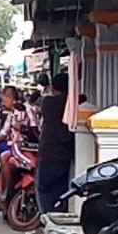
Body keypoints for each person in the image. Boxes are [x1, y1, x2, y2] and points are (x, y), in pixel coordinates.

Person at [0, 86, 38, 188]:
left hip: (24, 145)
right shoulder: (10, 113)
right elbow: (4, 132)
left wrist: (23, 128)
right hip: (10, 143)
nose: (2, 102)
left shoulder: (27, 110)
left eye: (4, 99)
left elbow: (35, 129)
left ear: (11, 99)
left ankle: (8, 187)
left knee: (5, 157)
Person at [36, 73, 75, 213]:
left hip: (48, 151)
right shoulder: (72, 104)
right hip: (65, 153)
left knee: (45, 188)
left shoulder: (48, 103)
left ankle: (48, 215)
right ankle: (59, 213)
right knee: (61, 187)